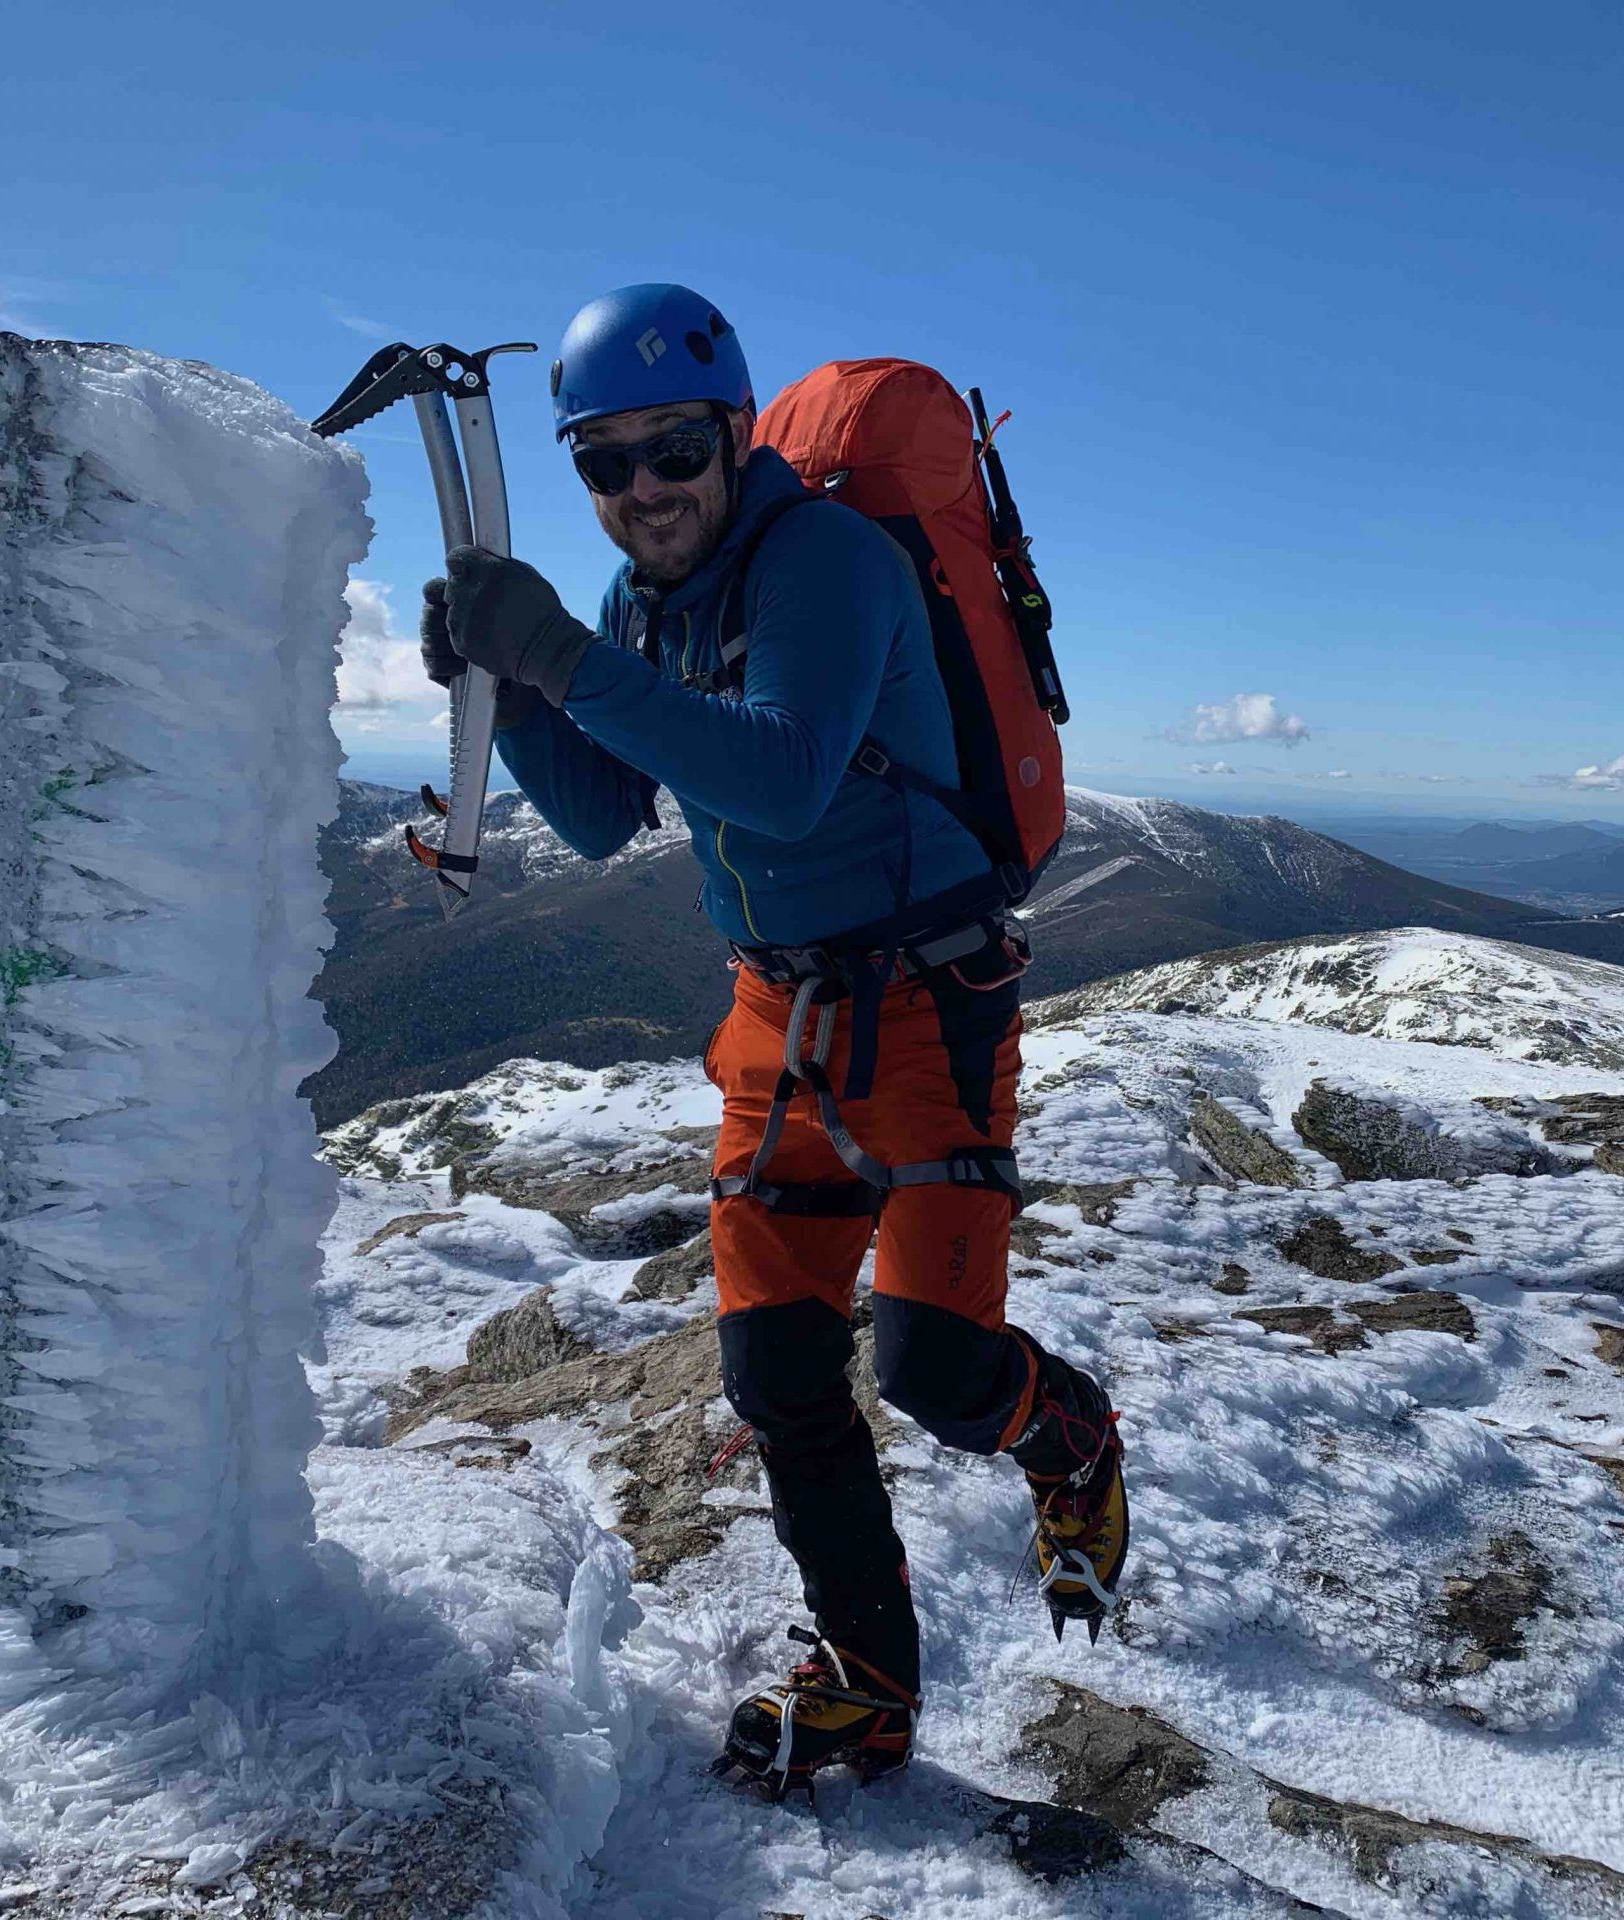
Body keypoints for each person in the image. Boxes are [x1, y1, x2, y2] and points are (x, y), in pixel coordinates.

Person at [422, 283, 1127, 1796]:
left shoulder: (829, 560)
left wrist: (558, 659)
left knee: (935, 1370)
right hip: (776, 1016)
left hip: (928, 1005)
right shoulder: (642, 607)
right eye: (602, 465)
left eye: (671, 450)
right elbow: (613, 814)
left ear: (734, 434)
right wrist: (510, 686)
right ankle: (868, 1684)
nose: (643, 491)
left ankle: (1067, 1435)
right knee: (777, 1371)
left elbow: (790, 779)